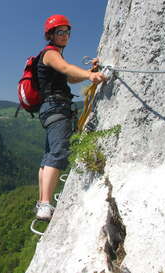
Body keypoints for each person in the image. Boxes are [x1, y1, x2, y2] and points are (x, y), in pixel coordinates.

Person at [35, 14, 106, 221]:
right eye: (60, 32)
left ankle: (42, 201)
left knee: (48, 157)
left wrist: (88, 72)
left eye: (67, 32)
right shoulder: (50, 53)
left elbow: (70, 77)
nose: (65, 35)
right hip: (56, 108)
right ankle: (45, 205)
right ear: (51, 35)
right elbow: (66, 69)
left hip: (49, 108)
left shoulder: (54, 56)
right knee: (57, 154)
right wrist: (90, 76)